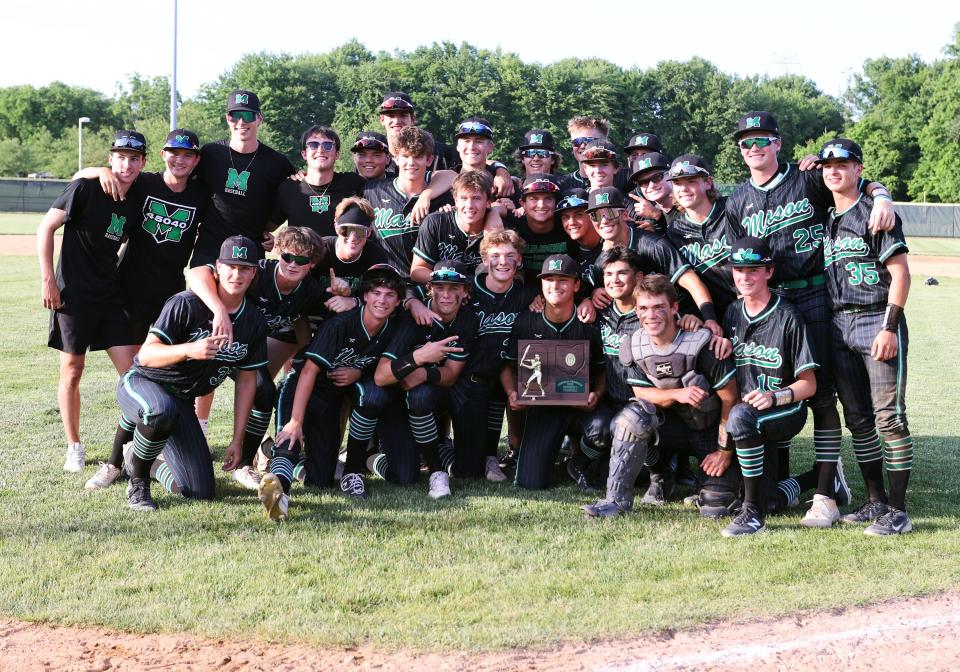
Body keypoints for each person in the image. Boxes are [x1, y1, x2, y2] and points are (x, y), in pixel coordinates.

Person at [724, 110, 894, 522]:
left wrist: (883, 193)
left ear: (778, 143)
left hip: (817, 294)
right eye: (746, 142)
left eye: (762, 139)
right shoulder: (736, 201)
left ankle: (825, 495)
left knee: (821, 395)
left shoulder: (808, 178)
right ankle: (800, 478)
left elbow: (855, 180)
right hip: (771, 300)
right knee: (768, 385)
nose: (754, 148)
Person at [77, 129, 207, 490]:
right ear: (163, 155)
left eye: (187, 155)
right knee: (136, 379)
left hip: (170, 298)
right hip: (128, 293)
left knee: (162, 378)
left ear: (196, 160)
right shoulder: (144, 183)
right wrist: (97, 171)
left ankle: (146, 452)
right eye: (173, 152)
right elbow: (82, 178)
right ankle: (116, 462)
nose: (179, 159)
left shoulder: (200, 194)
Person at [116, 236, 268, 511]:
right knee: (159, 410)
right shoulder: (186, 303)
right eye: (231, 266)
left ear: (254, 272)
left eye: (244, 268)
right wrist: (189, 350)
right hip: (144, 381)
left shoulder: (254, 320)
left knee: (199, 491)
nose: (236, 274)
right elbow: (147, 355)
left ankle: (137, 459)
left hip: (181, 401)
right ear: (218, 267)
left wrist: (238, 440)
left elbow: (246, 382)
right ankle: (138, 482)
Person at [817, 138, 914, 535]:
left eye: (843, 163)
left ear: (859, 169)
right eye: (827, 166)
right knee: (858, 420)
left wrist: (890, 326)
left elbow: (901, 272)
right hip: (839, 325)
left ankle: (899, 510)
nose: (834, 171)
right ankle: (875, 501)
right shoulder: (826, 218)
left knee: (889, 419)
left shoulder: (874, 212)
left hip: (876, 319)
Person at [584, 272, 738, 517]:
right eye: (643, 308)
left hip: (709, 431)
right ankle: (617, 501)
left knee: (716, 509)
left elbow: (731, 398)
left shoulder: (701, 343)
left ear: (674, 307)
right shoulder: (634, 346)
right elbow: (641, 392)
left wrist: (724, 451)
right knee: (630, 419)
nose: (651, 315)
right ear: (636, 311)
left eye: (658, 307)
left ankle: (707, 487)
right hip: (670, 431)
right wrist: (679, 393)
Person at [38, 130, 147, 474]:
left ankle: (132, 444)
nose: (126, 164)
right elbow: (46, 228)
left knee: (132, 375)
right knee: (72, 370)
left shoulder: (136, 202)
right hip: (73, 295)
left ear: (143, 163)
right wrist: (49, 280)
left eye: (134, 158)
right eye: (120, 157)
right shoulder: (86, 188)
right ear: (111, 159)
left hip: (111, 296)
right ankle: (74, 446)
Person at [187, 226, 329, 490]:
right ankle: (166, 445)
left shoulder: (310, 290)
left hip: (250, 347)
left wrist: (344, 298)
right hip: (216, 337)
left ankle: (244, 464)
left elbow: (300, 315)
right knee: (193, 385)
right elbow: (197, 272)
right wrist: (218, 310)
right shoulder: (258, 271)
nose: (292, 264)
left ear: (312, 264)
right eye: (287, 256)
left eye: (301, 259)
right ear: (278, 254)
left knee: (264, 392)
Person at [260, 264, 404, 520]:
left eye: (389, 295)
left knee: (322, 479)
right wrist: (295, 421)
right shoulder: (341, 323)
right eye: (377, 293)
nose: (382, 300)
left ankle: (273, 453)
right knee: (290, 439)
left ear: (398, 302)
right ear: (365, 296)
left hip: (330, 398)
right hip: (302, 387)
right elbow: (307, 371)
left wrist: (359, 373)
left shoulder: (392, 328)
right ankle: (278, 489)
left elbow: (376, 365)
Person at [721, 236, 818, 537]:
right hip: (750, 419)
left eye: (753, 269)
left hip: (785, 411)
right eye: (739, 270)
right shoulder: (732, 313)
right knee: (772, 500)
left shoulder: (788, 316)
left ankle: (752, 515)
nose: (745, 276)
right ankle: (817, 478)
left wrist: (775, 397)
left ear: (769, 272)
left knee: (740, 416)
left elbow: (809, 385)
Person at [501, 254, 611, 490]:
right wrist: (512, 392)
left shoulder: (590, 323)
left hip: (582, 407)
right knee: (530, 483)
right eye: (549, 279)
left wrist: (597, 395)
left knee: (603, 429)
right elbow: (508, 367)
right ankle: (548, 459)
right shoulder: (526, 321)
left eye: (563, 279)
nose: (555, 286)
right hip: (545, 408)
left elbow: (602, 370)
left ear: (576, 285)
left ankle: (578, 462)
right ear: (541, 284)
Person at [372, 261, 479, 498]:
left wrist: (422, 372)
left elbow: (450, 375)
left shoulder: (467, 320)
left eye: (454, 288)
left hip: (434, 393)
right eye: (440, 287)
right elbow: (381, 376)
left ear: (465, 292)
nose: (446, 295)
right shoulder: (411, 318)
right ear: (429, 289)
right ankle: (373, 457)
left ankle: (439, 452)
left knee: (470, 470)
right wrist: (420, 356)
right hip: (397, 399)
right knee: (404, 476)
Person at [584, 187, 723, 340]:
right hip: (642, 328)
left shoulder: (653, 245)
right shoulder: (601, 261)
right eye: (596, 215)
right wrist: (592, 295)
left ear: (624, 214)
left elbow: (691, 282)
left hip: (682, 321)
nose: (604, 220)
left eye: (610, 213)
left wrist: (710, 319)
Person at [467, 230, 539, 478]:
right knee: (468, 464)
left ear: (519, 260)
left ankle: (494, 456)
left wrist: (539, 302)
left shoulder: (527, 294)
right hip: (468, 377)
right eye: (495, 255)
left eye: (510, 256)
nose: (503, 262)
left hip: (506, 374)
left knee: (502, 390)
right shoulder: (468, 291)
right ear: (485, 260)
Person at [665, 154, 737, 320]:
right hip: (717, 315)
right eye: (677, 183)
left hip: (755, 302)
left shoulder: (732, 208)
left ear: (708, 182)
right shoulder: (675, 231)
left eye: (691, 181)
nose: (683, 189)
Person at [272, 125, 365, 238]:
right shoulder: (289, 188)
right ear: (304, 154)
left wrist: (350, 235)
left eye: (328, 145)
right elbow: (269, 228)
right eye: (313, 145)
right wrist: (272, 240)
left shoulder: (354, 183)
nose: (320, 150)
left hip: (342, 255)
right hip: (302, 255)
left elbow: (370, 227)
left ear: (337, 154)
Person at [411, 170, 497, 281]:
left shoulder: (499, 227)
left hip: (483, 293)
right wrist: (452, 280)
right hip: (443, 291)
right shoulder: (436, 222)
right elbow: (417, 271)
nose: (469, 205)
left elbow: (517, 274)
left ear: (488, 201)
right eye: (464, 198)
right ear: (456, 200)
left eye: (476, 198)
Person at [503, 174, 578, 285]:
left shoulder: (569, 226)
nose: (541, 205)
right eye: (534, 199)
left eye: (548, 199)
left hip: (559, 290)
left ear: (556, 203)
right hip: (522, 293)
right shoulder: (513, 225)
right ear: (522, 203)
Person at [314, 197, 388, 296]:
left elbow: (379, 296)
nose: (352, 237)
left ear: (369, 232)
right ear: (336, 228)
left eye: (360, 231)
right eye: (346, 230)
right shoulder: (319, 249)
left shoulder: (376, 257)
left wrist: (353, 300)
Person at [557, 115, 631, 192]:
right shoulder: (562, 184)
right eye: (577, 142)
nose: (582, 146)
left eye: (589, 140)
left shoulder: (626, 178)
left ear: (604, 142)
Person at [556, 188, 602, 278]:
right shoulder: (569, 253)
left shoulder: (610, 240)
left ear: (592, 214)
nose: (571, 222)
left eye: (578, 215)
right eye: (565, 217)